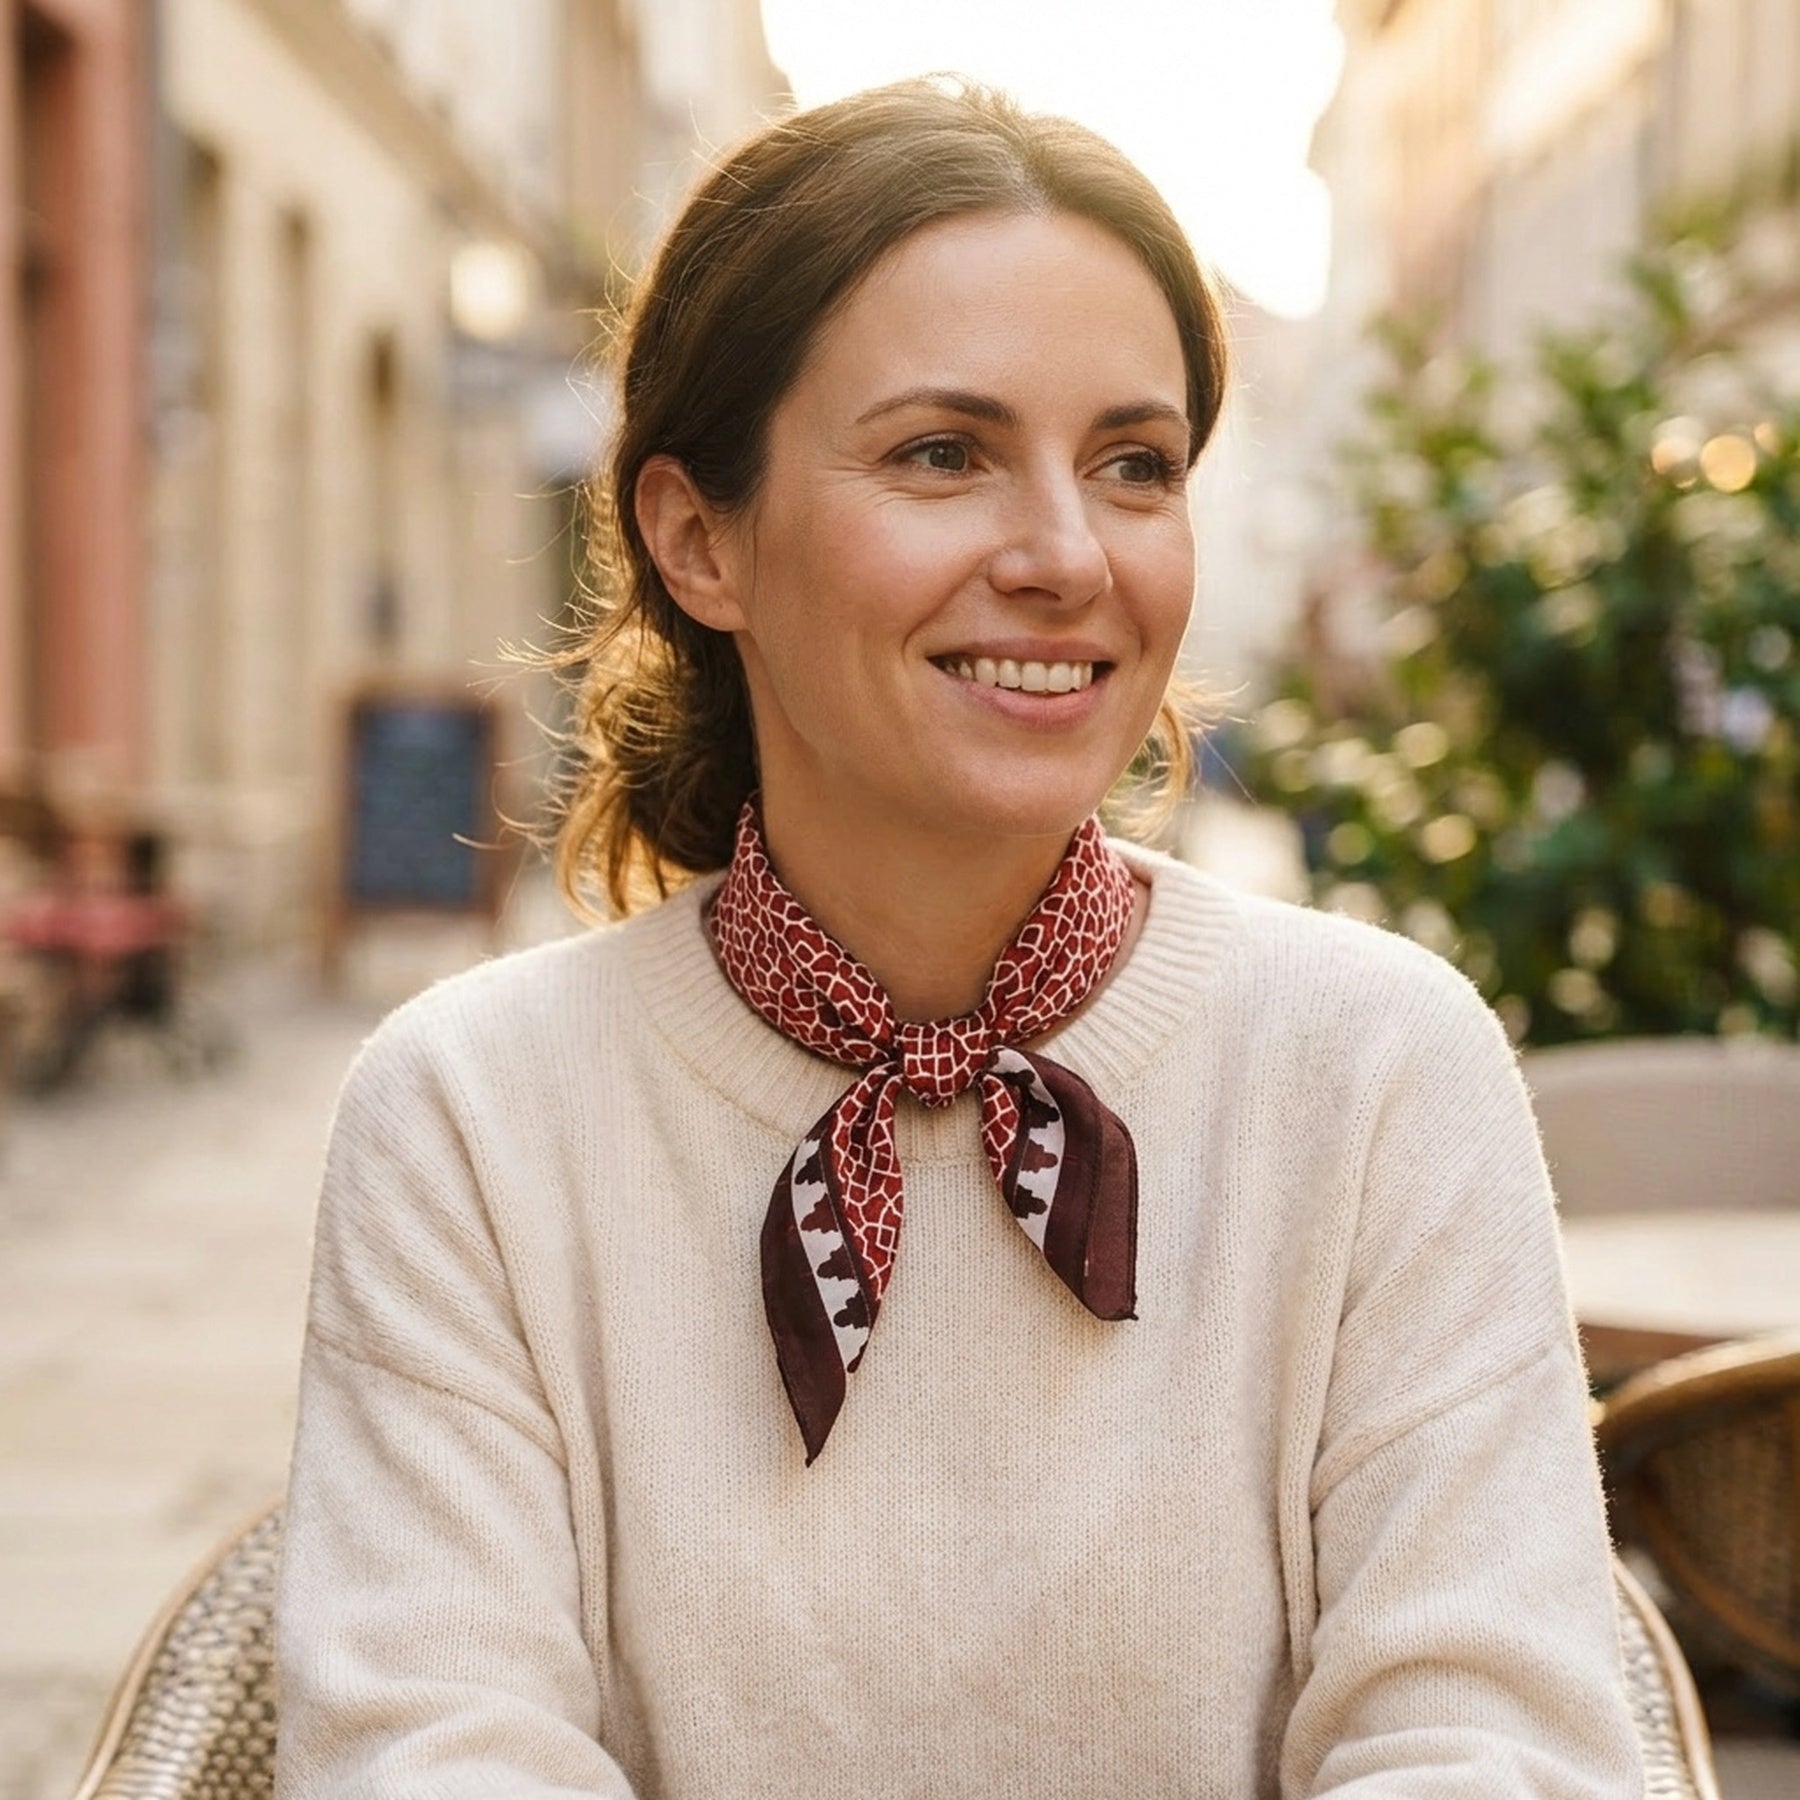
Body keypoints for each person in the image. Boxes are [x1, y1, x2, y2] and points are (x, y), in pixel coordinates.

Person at [274, 79, 1643, 1798]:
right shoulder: (475, 1115)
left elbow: (1489, 1746)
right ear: (698, 535)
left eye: (1135, 466)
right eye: (944, 454)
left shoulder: (1379, 1069)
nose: (1069, 555)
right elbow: (431, 1755)